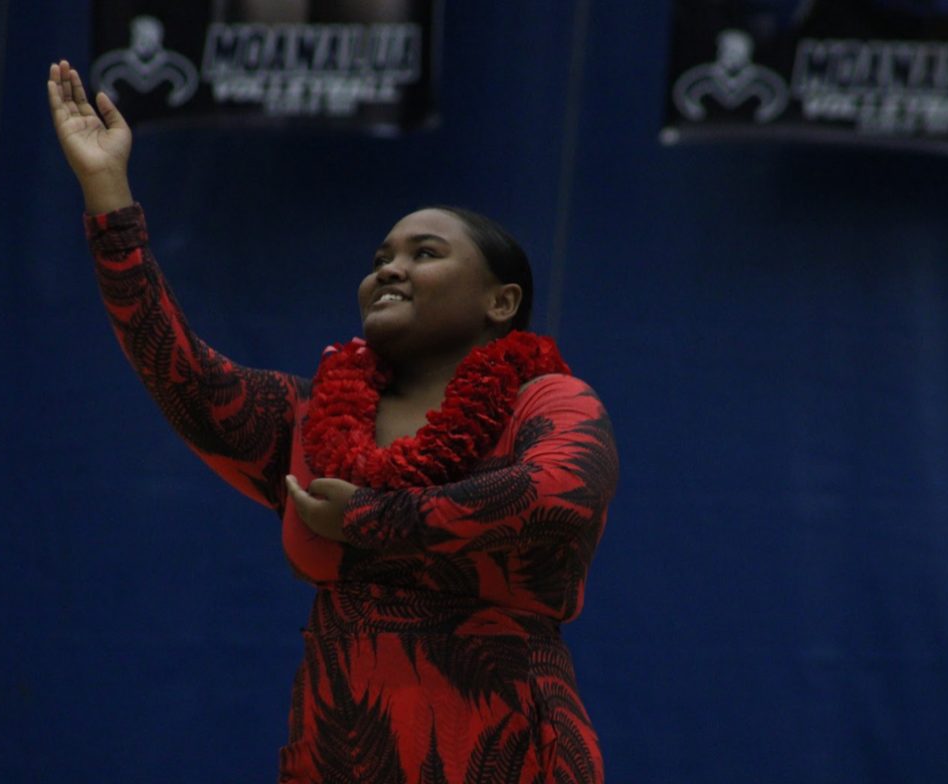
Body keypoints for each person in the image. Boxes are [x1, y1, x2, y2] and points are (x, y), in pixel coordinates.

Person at [47, 59, 618, 784]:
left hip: (502, 749)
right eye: (380, 257)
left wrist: (374, 521)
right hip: (342, 748)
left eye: (425, 253)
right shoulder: (315, 419)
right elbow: (182, 374)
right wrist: (108, 195)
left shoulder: (548, 402)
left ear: (499, 303)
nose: (388, 268)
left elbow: (555, 495)